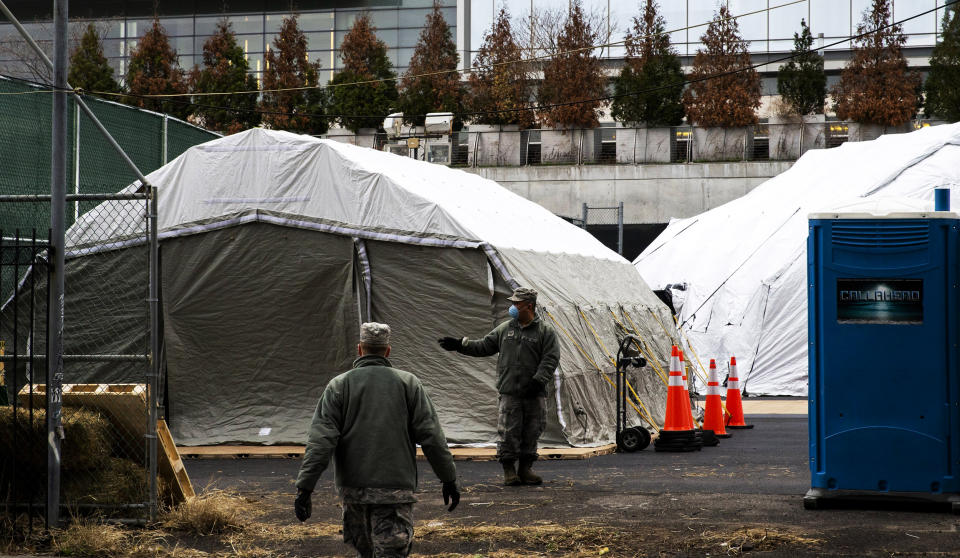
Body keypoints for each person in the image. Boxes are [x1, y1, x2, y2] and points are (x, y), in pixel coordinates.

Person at [295, 322, 461, 558]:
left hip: (354, 490)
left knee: (365, 552)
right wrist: (449, 478)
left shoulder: (339, 386)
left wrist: (305, 488)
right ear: (388, 350)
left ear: (360, 349)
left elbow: (320, 442)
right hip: (395, 489)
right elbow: (432, 436)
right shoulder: (409, 384)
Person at [437, 287, 560, 486]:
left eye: (517, 303)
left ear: (529, 306)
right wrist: (460, 344)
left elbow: (551, 358)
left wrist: (538, 380)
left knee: (532, 430)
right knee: (509, 431)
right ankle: (509, 470)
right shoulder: (505, 329)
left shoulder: (545, 332)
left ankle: (526, 469)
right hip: (510, 391)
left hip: (534, 392)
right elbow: (484, 346)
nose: (513, 307)